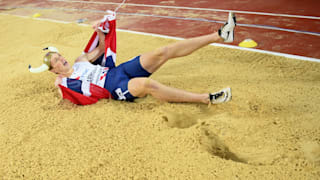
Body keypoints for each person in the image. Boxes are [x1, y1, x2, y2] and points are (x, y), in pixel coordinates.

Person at [49, 12, 236, 105]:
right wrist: (59, 83)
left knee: (162, 51)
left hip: (117, 71)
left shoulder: (80, 60)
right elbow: (66, 97)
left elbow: (102, 47)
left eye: (59, 56)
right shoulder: (62, 83)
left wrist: (100, 28)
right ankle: (206, 98)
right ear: (53, 70)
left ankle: (220, 36)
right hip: (114, 88)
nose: (61, 59)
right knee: (146, 85)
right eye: (56, 61)